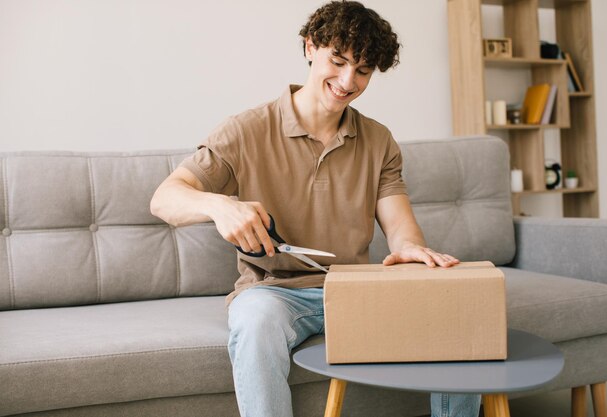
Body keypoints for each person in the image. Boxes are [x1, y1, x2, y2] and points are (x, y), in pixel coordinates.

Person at [150, 1, 481, 416]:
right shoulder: (246, 129)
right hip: (275, 292)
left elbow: (400, 229)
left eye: (362, 71)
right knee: (256, 324)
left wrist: (411, 249)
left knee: (461, 315)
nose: (347, 81)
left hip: (356, 287)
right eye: (338, 61)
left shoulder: (379, 141)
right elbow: (165, 197)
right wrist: (219, 206)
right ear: (310, 47)